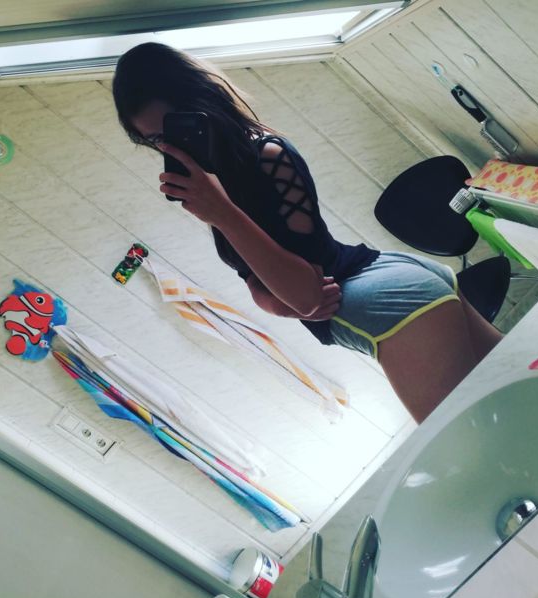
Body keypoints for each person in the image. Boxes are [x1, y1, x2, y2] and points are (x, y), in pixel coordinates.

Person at [112, 42, 503, 424]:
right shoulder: (217, 179)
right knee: (521, 384)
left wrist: (222, 214)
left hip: (388, 301)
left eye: (176, 127)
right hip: (389, 281)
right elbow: (264, 283)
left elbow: (308, 295)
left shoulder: (267, 155)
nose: (170, 145)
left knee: (474, 436)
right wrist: (277, 299)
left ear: (202, 103)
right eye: (155, 139)